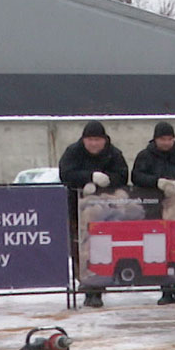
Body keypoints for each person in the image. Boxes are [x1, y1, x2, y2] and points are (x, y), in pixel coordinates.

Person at [58, 121, 129, 308]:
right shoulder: (72, 152)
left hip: (107, 212)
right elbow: (65, 173)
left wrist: (105, 182)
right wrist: (88, 177)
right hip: (77, 210)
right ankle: (86, 284)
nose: (94, 144)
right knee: (80, 248)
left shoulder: (114, 154)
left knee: (102, 247)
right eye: (90, 139)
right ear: (83, 140)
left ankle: (98, 285)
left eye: (97, 139)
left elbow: (122, 176)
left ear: (104, 140)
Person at [132, 121, 175, 305]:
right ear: (155, 139)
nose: (166, 142)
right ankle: (164, 288)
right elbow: (136, 176)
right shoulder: (145, 156)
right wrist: (157, 182)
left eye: (170, 139)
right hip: (154, 209)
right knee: (160, 249)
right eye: (163, 139)